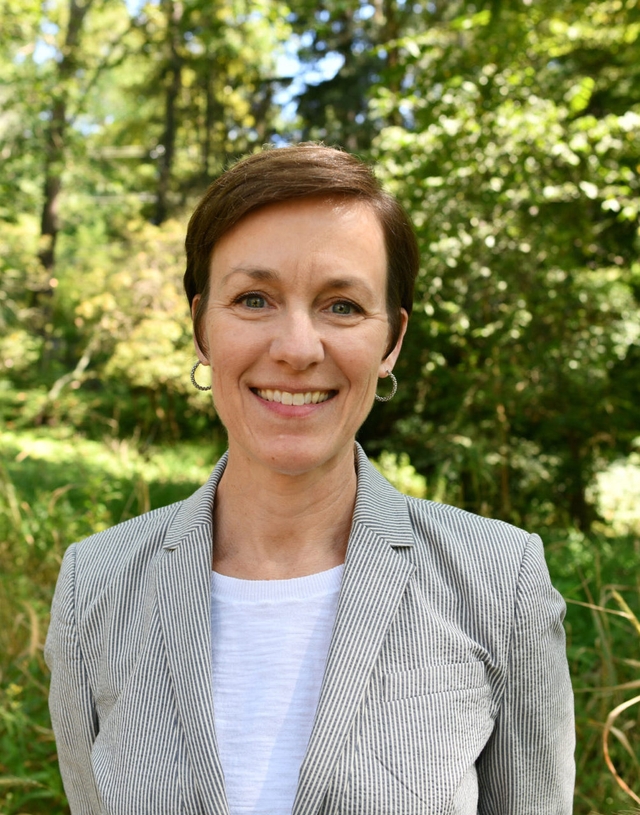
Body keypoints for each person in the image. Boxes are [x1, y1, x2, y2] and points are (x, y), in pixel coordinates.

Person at [45, 143, 575, 815]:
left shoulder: (500, 582)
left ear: (392, 342)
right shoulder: (95, 585)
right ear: (201, 327)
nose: (297, 348)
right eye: (254, 298)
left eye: (343, 306)